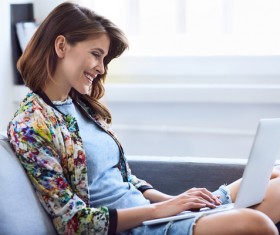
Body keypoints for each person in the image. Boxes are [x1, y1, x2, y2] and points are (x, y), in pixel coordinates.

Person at [7, 2, 280, 235]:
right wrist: (162, 210)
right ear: (61, 45)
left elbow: (125, 180)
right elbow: (72, 222)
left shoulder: (81, 106)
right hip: (138, 226)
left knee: (276, 176)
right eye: (96, 54)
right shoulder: (30, 125)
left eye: (104, 59)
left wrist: (177, 202)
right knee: (255, 223)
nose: (101, 69)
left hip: (155, 214)